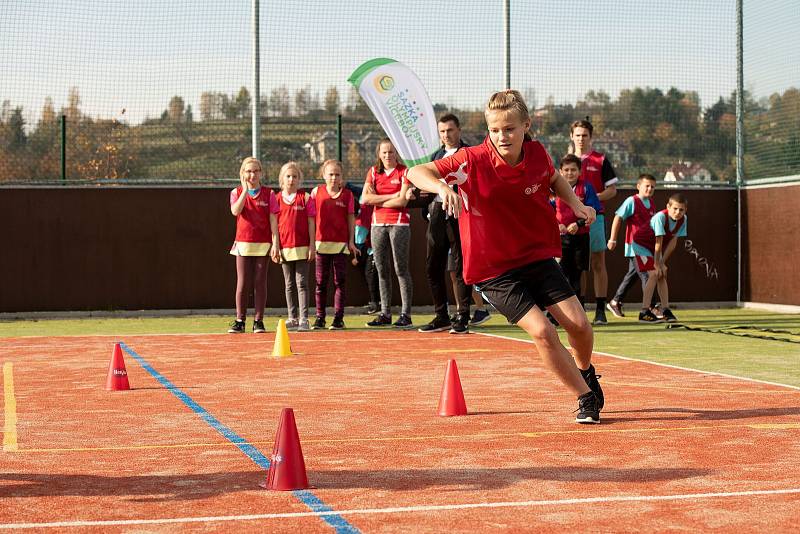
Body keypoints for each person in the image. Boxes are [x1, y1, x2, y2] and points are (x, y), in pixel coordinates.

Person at [407, 90, 604, 424]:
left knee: (581, 326)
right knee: (543, 331)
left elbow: (554, 178)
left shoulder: (538, 154)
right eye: (495, 129)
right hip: (494, 270)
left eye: (510, 129)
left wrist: (575, 204)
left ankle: (585, 371)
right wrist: (443, 189)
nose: (502, 136)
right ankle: (585, 398)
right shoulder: (471, 160)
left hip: (536, 257)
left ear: (525, 126)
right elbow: (415, 172)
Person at [419, 114, 472, 334]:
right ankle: (441, 315)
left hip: (460, 214)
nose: (446, 135)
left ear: (459, 130)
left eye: (450, 130)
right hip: (437, 214)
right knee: (433, 266)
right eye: (442, 132)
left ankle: (462, 317)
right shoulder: (436, 156)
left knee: (461, 267)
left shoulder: (468, 154)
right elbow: (426, 186)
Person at [362, 139, 415, 329]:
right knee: (382, 269)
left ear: (396, 153)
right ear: (379, 154)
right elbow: (366, 198)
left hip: (399, 224)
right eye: (384, 152)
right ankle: (385, 313)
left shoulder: (404, 171)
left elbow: (402, 202)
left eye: (391, 152)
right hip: (377, 225)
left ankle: (405, 314)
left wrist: (379, 199)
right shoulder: (373, 172)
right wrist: (392, 196)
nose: (387, 155)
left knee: (400, 269)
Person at [570, 119, 618, 325]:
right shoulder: (567, 161)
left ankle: (600, 309)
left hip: (595, 219)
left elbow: (612, 190)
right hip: (570, 221)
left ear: (591, 137)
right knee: (577, 266)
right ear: (571, 136)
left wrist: (590, 199)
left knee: (598, 262)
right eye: (578, 135)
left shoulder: (600, 160)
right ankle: (578, 308)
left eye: (585, 135)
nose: (581, 139)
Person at [227, 157, 274, 334]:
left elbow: (273, 220)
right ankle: (240, 320)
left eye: (255, 171)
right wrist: (245, 191)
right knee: (243, 282)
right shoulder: (236, 192)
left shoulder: (269, 194)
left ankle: (258, 321)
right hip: (243, 244)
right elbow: (235, 211)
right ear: (242, 174)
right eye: (248, 171)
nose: (252, 174)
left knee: (260, 282)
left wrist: (275, 243)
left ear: (260, 173)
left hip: (262, 244)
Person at [310, 159, 357, 330]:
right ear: (323, 175)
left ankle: (338, 318)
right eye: (330, 174)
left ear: (341, 177)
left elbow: (351, 218)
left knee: (340, 282)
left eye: (337, 174)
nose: (334, 178)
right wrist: (311, 243)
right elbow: (311, 220)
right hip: (321, 245)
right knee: (321, 282)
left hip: (340, 246)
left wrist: (351, 241)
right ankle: (320, 317)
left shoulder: (348, 195)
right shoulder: (316, 193)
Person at [607, 174, 660, 322]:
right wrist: (612, 238)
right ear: (638, 186)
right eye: (647, 186)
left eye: (652, 187)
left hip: (646, 247)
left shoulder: (652, 203)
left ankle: (615, 302)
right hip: (634, 247)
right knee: (647, 275)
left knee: (633, 275)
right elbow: (618, 217)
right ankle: (650, 307)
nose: (650, 189)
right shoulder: (632, 201)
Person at [270, 161, 316, 332]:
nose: (291, 179)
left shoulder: (305, 198)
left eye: (294, 176)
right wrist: (275, 245)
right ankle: (292, 317)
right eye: (288, 176)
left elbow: (312, 223)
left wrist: (312, 245)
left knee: (302, 283)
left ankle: (304, 318)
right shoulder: (275, 199)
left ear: (299, 179)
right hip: (284, 248)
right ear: (282, 179)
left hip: (303, 247)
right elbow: (274, 225)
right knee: (289, 284)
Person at [555, 154, 602, 305]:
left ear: (580, 171)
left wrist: (579, 224)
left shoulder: (587, 187)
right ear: (560, 171)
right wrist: (557, 224)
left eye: (573, 170)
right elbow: (545, 210)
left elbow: (593, 209)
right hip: (561, 239)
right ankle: (557, 313)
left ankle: (578, 310)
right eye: (566, 170)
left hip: (581, 238)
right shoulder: (553, 189)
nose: (570, 173)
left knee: (577, 275)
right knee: (560, 274)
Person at [642, 193, 688, 322]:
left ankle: (665, 310)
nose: (678, 212)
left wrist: (662, 262)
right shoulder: (660, 217)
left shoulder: (683, 219)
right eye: (675, 208)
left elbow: (673, 241)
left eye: (681, 210)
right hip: (641, 245)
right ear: (668, 207)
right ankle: (644, 311)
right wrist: (657, 263)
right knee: (654, 273)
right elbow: (658, 241)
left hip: (655, 249)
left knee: (662, 274)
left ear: (685, 210)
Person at [352, 199, 381, 315]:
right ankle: (375, 302)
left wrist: (357, 259)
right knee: (369, 275)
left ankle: (376, 304)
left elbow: (360, 244)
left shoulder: (361, 221)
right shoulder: (359, 218)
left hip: (372, 250)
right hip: (368, 250)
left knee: (371, 275)